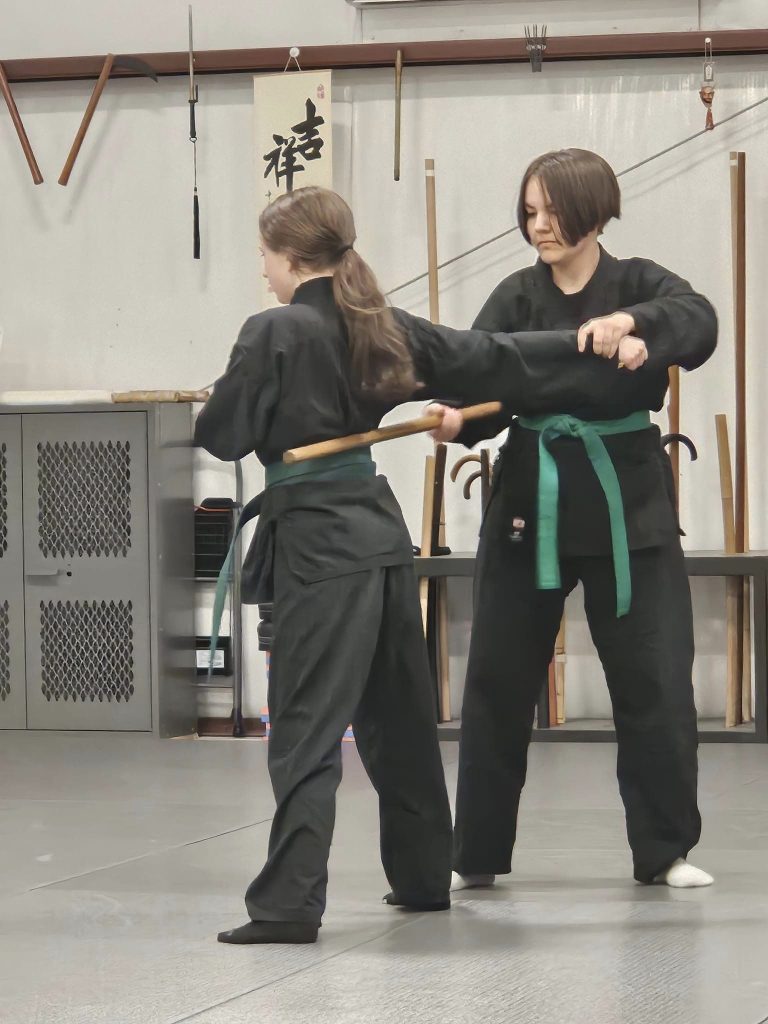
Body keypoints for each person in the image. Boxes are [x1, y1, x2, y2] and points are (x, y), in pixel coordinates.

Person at [195, 185, 652, 946]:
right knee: (398, 720)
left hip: (318, 544)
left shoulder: (273, 329)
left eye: (265, 258)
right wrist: (588, 342)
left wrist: (227, 390)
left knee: (306, 726)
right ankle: (419, 878)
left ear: (291, 257)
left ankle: (286, 907)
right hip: (379, 537)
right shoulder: (382, 323)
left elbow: (222, 433)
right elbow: (494, 360)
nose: (263, 272)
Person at [430, 148, 718, 892]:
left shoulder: (641, 283)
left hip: (629, 506)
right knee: (496, 679)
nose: (539, 225)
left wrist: (635, 323)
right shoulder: (516, 298)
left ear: (592, 207)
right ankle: (477, 855)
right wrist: (456, 420)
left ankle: (665, 851)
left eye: (551, 210)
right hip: (533, 501)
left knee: (655, 681)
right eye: (529, 212)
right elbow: (479, 379)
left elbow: (700, 322)